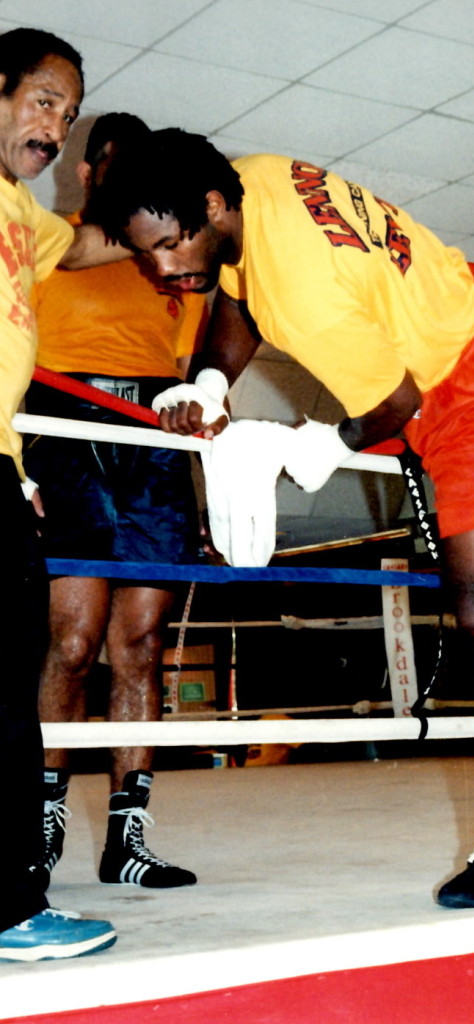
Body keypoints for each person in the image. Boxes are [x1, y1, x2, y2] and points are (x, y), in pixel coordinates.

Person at [23, 113, 205, 891]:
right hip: (64, 428)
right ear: (90, 175)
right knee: (72, 639)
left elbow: (189, 367)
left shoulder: (174, 266)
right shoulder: (51, 242)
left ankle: (128, 837)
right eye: (116, 168)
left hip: (151, 442)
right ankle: (39, 827)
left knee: (140, 641)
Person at [0, 26, 128, 960]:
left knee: (14, 678)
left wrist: (170, 201)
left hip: (0, 469)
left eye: (67, 113)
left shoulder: (19, 212)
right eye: (43, 100)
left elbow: (83, 246)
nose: (55, 126)